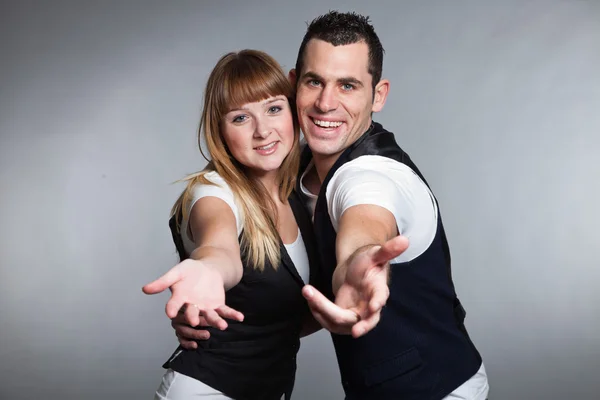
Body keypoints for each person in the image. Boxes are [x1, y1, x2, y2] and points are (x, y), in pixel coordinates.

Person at [165, 10, 490, 400]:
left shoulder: (372, 174)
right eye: (314, 82)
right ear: (293, 85)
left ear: (379, 95)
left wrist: (358, 263)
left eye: (348, 85)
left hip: (436, 388)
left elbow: (365, 220)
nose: (325, 103)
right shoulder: (286, 172)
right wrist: (208, 288)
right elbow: (221, 247)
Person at [143, 49, 327, 400]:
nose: (263, 131)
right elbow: (219, 245)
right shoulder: (212, 192)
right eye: (241, 118)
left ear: (293, 112)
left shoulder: (297, 196)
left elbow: (286, 319)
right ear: (221, 131)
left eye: (274, 108)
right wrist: (209, 268)